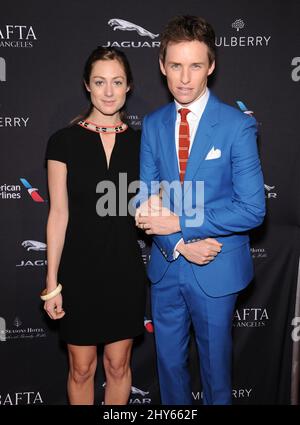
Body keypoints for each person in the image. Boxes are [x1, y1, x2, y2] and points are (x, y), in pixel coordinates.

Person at [136, 15, 265, 405]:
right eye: (175, 65)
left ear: (211, 65)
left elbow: (253, 209)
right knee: (169, 371)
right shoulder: (154, 123)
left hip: (217, 268)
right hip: (168, 264)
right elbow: (145, 201)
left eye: (195, 65)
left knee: (216, 375)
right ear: (162, 66)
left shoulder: (236, 126)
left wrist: (182, 223)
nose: (185, 78)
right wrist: (179, 242)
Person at [42, 46, 146, 405]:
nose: (108, 91)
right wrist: (51, 282)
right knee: (81, 369)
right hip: (79, 273)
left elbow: (155, 206)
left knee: (118, 366)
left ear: (128, 86)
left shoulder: (142, 143)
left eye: (117, 82)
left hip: (124, 271)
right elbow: (58, 214)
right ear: (87, 85)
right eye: (100, 82)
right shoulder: (63, 142)